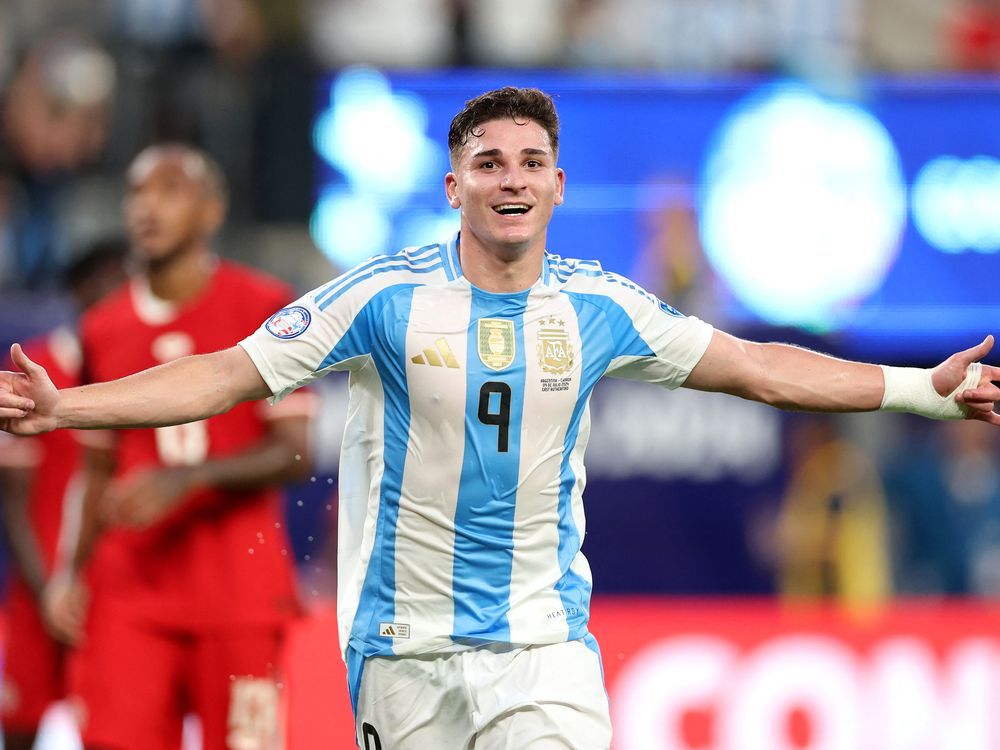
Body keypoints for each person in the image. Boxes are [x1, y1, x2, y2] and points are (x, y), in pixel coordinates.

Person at [0, 88, 998, 749]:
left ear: (557, 186)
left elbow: (756, 369)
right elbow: (226, 375)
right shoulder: (381, 297)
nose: (510, 177)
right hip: (402, 653)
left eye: (529, 162)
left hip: (542, 651)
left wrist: (917, 387)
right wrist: (65, 407)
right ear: (454, 187)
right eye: (488, 162)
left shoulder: (599, 306)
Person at [30, 144, 313, 750]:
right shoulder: (101, 326)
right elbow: (96, 467)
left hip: (239, 589)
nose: (147, 206)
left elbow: (295, 452)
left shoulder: (265, 306)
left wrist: (189, 478)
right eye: (136, 192)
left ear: (212, 211)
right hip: (131, 590)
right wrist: (69, 574)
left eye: (169, 189)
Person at [0, 239, 127, 750]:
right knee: (23, 722)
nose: (120, 296)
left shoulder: (146, 373)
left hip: (116, 589)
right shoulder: (39, 365)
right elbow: (14, 498)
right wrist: (50, 589)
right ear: (80, 290)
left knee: (115, 730)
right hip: (41, 584)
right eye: (108, 283)